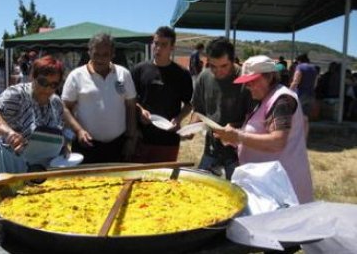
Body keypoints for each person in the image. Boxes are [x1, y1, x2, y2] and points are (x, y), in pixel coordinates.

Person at [212, 55, 313, 204]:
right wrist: (233, 139)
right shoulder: (267, 98)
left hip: (283, 189)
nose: (249, 86)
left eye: (254, 81)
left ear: (270, 76)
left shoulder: (282, 100)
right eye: (247, 82)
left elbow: (277, 141)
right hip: (269, 184)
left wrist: (238, 137)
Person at [0, 56, 69, 190]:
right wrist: (9, 133)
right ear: (32, 76)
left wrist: (62, 147)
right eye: (43, 82)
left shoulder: (56, 102)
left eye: (54, 85)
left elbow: (59, 130)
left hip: (39, 169)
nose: (47, 89)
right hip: (8, 164)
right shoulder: (17, 94)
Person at [61, 33, 137, 164]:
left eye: (105, 54)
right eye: (96, 54)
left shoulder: (123, 74)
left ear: (113, 54)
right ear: (89, 52)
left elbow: (131, 106)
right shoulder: (76, 76)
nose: (100, 59)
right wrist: (78, 131)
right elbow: (64, 108)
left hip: (118, 144)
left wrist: (130, 139)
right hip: (86, 145)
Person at [188, 37, 253, 179]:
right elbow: (198, 109)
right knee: (202, 188)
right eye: (213, 66)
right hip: (211, 149)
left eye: (224, 66)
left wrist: (235, 128)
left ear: (233, 60)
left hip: (238, 153)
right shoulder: (204, 77)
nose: (218, 72)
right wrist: (190, 128)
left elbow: (255, 119)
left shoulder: (246, 80)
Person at [131, 26, 193, 162]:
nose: (158, 48)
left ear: (172, 47)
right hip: (142, 137)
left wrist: (178, 118)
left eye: (163, 45)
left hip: (168, 138)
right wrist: (140, 110)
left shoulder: (182, 74)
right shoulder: (139, 70)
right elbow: (130, 99)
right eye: (156, 43)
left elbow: (188, 104)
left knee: (164, 180)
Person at [289, 53, 318, 138]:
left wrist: (288, 91)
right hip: (311, 94)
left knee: (294, 117)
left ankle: (294, 137)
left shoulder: (300, 67)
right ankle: (304, 138)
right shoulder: (314, 68)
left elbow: (296, 81)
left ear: (299, 61)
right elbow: (315, 84)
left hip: (301, 94)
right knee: (305, 118)